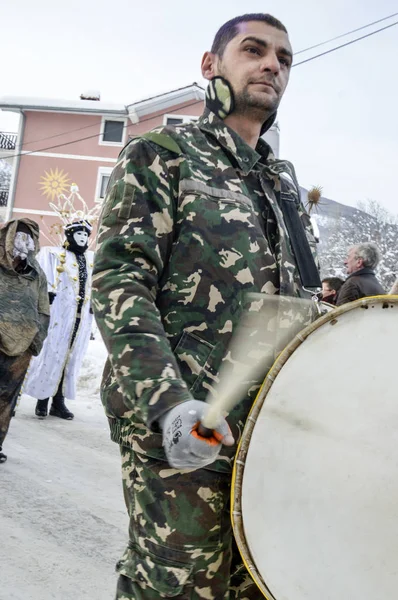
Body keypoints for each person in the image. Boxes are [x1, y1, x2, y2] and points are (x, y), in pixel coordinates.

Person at [93, 12, 321, 599]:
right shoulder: (163, 154)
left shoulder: (282, 184)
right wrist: (167, 404)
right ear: (210, 65)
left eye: (285, 58)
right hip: (186, 436)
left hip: (265, 442)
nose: (272, 64)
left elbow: (300, 304)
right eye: (254, 49)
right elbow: (121, 283)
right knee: (177, 591)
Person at [24, 219, 94, 420]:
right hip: (60, 316)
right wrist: (47, 295)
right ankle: (42, 399)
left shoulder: (91, 259)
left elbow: (95, 284)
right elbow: (45, 278)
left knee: (71, 358)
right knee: (52, 354)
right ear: (70, 236)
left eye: (85, 235)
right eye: (78, 235)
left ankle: (59, 401)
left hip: (80, 318)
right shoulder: (55, 255)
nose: (82, 239)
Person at [0, 219, 50, 463]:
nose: (24, 241)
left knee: (6, 399)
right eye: (19, 235)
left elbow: (43, 309)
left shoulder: (37, 273)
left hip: (21, 347)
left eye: (29, 237)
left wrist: (37, 338)